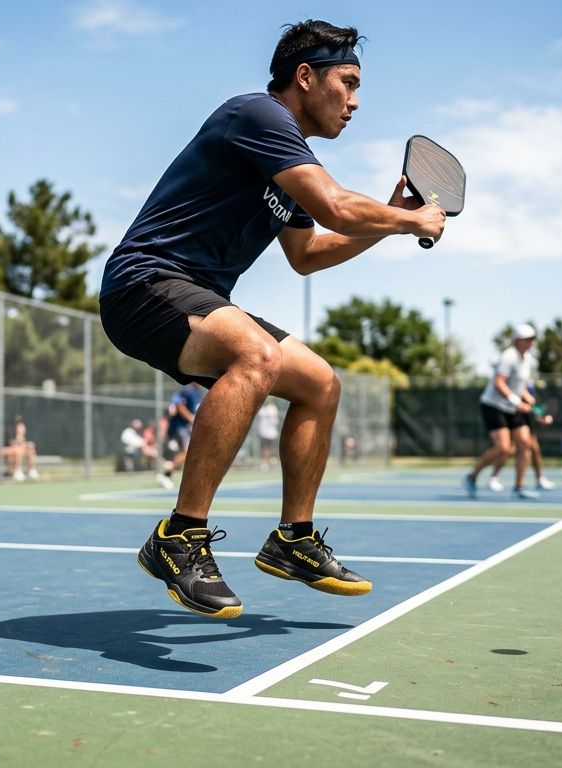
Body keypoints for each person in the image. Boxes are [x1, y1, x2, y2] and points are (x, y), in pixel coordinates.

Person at [100, 20, 445, 618]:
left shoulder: (287, 161)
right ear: (306, 77)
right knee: (255, 355)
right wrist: (412, 221)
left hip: (196, 295)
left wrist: (388, 216)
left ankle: (293, 539)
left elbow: (308, 254)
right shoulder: (259, 118)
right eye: (349, 82)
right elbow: (335, 206)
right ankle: (179, 537)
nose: (356, 102)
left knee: (320, 383)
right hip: (144, 283)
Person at [464, 325, 540, 500]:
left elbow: (519, 386)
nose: (530, 342)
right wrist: (516, 401)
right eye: (527, 339)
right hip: (494, 405)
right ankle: (472, 476)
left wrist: (528, 398)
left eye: (532, 339)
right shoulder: (508, 356)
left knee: (525, 444)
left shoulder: (528, 359)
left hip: (513, 407)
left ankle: (519, 487)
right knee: (503, 448)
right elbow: (499, 383)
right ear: (518, 340)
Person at [156, 383, 203, 490]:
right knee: (187, 452)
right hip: (179, 427)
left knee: (189, 452)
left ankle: (167, 471)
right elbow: (178, 404)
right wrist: (189, 417)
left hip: (185, 428)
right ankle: (166, 474)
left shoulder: (197, 392)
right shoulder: (187, 390)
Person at [4, 416, 39, 481]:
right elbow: (11, 443)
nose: (19, 424)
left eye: (20, 422)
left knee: (30, 446)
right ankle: (17, 471)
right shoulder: (10, 430)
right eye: (17, 423)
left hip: (20, 449)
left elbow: (24, 443)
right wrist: (19, 435)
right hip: (9, 449)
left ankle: (32, 470)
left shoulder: (24, 430)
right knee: (18, 450)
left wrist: (22, 436)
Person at [255, 399, 281, 470]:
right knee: (266, 448)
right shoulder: (267, 410)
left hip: (269, 433)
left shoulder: (269, 410)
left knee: (267, 448)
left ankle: (268, 462)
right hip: (266, 433)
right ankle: (266, 462)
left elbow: (274, 421)